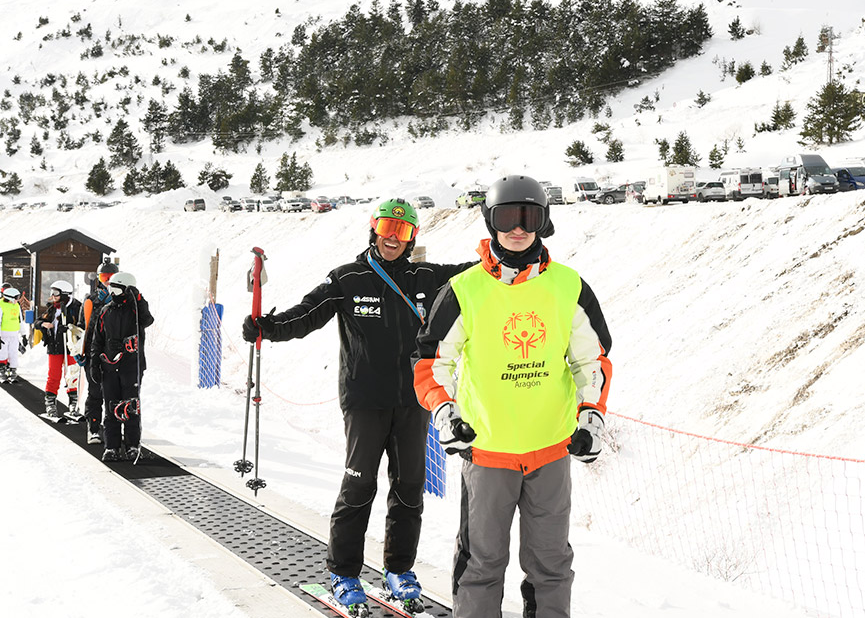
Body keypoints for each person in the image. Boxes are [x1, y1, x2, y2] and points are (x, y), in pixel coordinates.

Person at [242, 198, 475, 613]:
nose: (392, 238)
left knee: (409, 490)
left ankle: (398, 570)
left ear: (413, 237)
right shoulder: (347, 279)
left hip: (413, 401)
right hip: (364, 400)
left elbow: (478, 275)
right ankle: (344, 574)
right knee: (359, 487)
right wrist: (268, 328)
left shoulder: (428, 277)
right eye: (387, 227)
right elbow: (306, 314)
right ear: (373, 228)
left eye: (402, 232)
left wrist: (503, 247)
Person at [413, 175, 613, 618]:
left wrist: (591, 415)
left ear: (543, 223)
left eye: (530, 217)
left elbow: (591, 360)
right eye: (508, 217)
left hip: (550, 449)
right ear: (490, 222)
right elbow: (431, 363)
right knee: (482, 563)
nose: (518, 228)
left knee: (551, 563)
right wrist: (446, 413)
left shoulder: (568, 286)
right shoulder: (465, 290)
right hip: (488, 451)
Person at [88, 272, 153, 462]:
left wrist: (138, 298)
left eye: (116, 288)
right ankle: (112, 447)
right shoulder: (105, 311)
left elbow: (147, 320)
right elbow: (96, 341)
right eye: (110, 288)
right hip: (109, 366)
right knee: (111, 407)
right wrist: (94, 364)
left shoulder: (136, 310)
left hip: (131, 366)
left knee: (130, 406)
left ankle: (132, 445)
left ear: (126, 289)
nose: (112, 292)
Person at [80, 261, 121, 444]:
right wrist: (79, 351)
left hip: (115, 354)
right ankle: (94, 428)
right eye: (104, 277)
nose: (107, 281)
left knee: (114, 393)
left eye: (111, 277)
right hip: (93, 353)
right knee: (95, 391)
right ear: (98, 279)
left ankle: (112, 430)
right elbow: (83, 328)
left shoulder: (121, 300)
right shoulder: (91, 300)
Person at [35, 280, 84, 418]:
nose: (53, 296)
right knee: (54, 375)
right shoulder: (52, 308)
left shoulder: (76, 307)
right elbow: (37, 322)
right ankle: (50, 402)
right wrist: (44, 324)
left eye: (56, 293)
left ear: (64, 294)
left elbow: (82, 326)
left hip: (70, 347)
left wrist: (69, 328)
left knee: (71, 375)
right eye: (52, 292)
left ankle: (73, 402)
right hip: (55, 346)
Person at [1, 284, 23, 382]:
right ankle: (2, 371)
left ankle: (13, 370)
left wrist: (24, 334)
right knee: (3, 353)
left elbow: (20, 320)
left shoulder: (16, 305)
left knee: (13, 353)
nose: (18, 300)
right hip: (3, 335)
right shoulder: (1, 305)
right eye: (16, 298)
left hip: (14, 334)